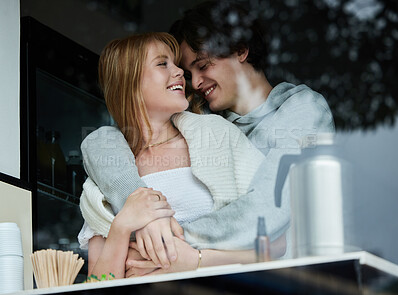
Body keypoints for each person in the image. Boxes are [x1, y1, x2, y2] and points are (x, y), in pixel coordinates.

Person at [80, 1, 334, 276]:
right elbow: (101, 142)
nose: (195, 82)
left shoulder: (299, 110)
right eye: (189, 73)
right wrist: (139, 210)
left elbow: (268, 209)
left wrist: (166, 244)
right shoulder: (201, 125)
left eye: (203, 66)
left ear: (240, 50)